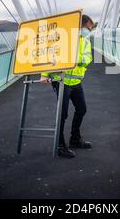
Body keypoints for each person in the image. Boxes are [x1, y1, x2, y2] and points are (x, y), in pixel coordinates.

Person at [40, 14, 94, 158]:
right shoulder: (63, 39)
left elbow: (88, 58)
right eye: (88, 27)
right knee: (62, 114)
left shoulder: (86, 42)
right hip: (61, 81)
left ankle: (75, 139)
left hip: (76, 82)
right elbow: (50, 55)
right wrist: (44, 74)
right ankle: (60, 146)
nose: (90, 30)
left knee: (82, 109)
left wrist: (77, 59)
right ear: (80, 26)